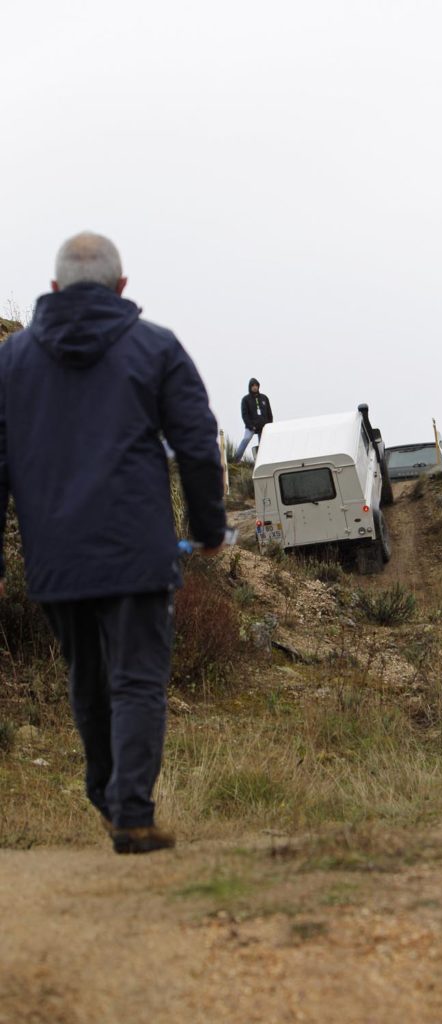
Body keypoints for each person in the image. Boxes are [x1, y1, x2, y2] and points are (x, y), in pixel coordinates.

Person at [0, 232, 227, 854]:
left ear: (53, 290)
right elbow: (198, 442)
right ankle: (129, 812)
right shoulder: (154, 347)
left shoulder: (10, 361)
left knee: (87, 678)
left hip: (55, 553)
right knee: (136, 682)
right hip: (135, 549)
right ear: (121, 287)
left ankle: (107, 794)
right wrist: (208, 529)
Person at [234, 378, 273, 461]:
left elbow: (269, 412)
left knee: (263, 444)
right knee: (246, 438)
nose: (255, 387)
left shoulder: (264, 398)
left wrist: (269, 425)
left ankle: (262, 461)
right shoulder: (245, 399)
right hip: (251, 426)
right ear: (250, 387)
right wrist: (250, 426)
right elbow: (244, 415)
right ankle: (236, 459)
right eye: (253, 386)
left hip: (263, 426)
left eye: (256, 385)